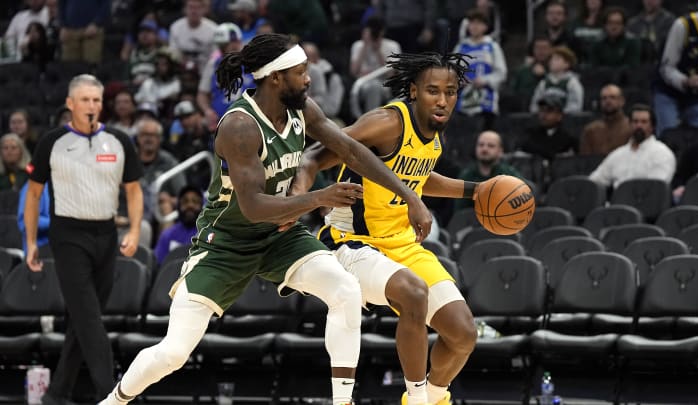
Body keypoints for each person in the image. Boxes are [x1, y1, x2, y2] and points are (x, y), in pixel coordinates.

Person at [98, 33, 432, 405]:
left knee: (346, 289)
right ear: (276, 78)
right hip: (227, 242)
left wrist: (410, 197)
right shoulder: (240, 126)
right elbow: (254, 206)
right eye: (301, 72)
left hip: (279, 236)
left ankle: (342, 402)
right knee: (174, 353)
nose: (309, 78)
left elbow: (352, 150)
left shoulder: (302, 109)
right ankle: (115, 400)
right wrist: (317, 198)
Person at [291, 50, 479, 405]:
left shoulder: (433, 136)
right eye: (432, 91)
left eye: (450, 92)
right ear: (412, 91)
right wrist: (303, 188)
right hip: (352, 241)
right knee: (413, 292)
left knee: (463, 334)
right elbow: (321, 152)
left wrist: (475, 191)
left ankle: (431, 399)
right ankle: (418, 398)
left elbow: (418, 176)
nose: (442, 100)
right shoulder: (388, 121)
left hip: (402, 244)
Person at [24, 74, 143, 405]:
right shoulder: (52, 142)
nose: (92, 106)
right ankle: (113, 395)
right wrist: (32, 242)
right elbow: (34, 196)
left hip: (106, 233)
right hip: (68, 234)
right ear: (70, 104)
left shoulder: (119, 141)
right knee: (89, 317)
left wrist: (133, 230)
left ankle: (57, 392)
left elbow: (133, 191)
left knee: (83, 317)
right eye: (85, 100)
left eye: (97, 100)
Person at [653, 0, 698, 137]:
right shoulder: (683, 25)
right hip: (669, 91)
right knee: (669, 134)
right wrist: (686, 81)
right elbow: (666, 67)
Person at [589, 104, 676, 188]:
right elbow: (594, 181)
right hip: (617, 201)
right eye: (635, 121)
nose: (639, 125)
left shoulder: (663, 154)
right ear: (629, 124)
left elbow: (656, 188)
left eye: (644, 122)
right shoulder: (617, 155)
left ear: (652, 126)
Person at [453, 9, 506, 129]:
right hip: (463, 101)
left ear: (485, 27)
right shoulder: (461, 47)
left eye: (478, 23)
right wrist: (459, 79)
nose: (475, 27)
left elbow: (501, 72)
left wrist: (485, 80)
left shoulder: (492, 46)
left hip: (486, 101)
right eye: (472, 23)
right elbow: (450, 72)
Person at [455, 130, 522, 211]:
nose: (484, 149)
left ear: (500, 151)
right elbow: (461, 212)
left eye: (491, 146)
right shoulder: (466, 177)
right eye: (481, 145)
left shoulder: (510, 175)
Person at [154, 184, 202, 265]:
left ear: (202, 206)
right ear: (179, 206)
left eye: (195, 201)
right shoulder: (167, 235)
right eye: (185, 201)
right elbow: (158, 266)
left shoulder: (208, 234)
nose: (190, 205)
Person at [520, 94, 578, 161]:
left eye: (549, 111)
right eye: (541, 110)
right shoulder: (530, 134)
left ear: (559, 116)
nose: (543, 115)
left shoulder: (569, 138)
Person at [580, 84, 632, 156]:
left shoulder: (631, 127)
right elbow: (584, 161)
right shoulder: (591, 130)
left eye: (612, 97)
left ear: (622, 101)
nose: (608, 101)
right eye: (604, 98)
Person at [529, 46, 583, 113]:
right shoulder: (544, 83)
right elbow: (534, 105)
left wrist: (558, 115)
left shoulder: (572, 83)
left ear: (567, 64)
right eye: (551, 59)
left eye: (557, 59)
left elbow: (575, 106)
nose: (552, 62)